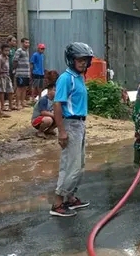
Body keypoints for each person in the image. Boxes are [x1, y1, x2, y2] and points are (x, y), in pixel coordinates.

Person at [50, 42, 93, 217]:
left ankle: (70, 198)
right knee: (70, 165)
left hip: (80, 124)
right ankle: (58, 203)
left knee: (80, 163)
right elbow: (57, 104)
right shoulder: (66, 78)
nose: (83, 63)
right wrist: (61, 131)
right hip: (70, 124)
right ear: (71, 60)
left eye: (86, 60)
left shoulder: (79, 77)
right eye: (80, 60)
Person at [0, 44, 14, 113]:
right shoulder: (0, 58)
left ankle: (10, 105)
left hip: (7, 75)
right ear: (2, 50)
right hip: (2, 75)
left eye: (8, 51)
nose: (7, 52)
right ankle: (2, 106)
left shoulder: (7, 57)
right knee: (2, 91)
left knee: (10, 90)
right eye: (5, 50)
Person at [12, 38, 31, 110]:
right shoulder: (19, 51)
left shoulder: (27, 51)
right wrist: (15, 70)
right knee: (19, 88)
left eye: (28, 43)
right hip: (20, 73)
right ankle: (17, 103)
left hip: (26, 73)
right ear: (22, 43)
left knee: (25, 88)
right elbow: (15, 61)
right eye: (26, 43)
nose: (27, 44)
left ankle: (22, 102)